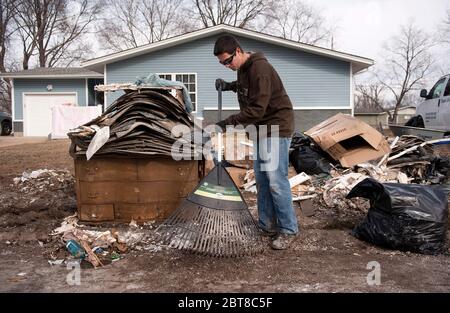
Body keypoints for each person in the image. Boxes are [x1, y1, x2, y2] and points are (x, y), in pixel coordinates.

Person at [213, 34, 298, 250]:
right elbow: (245, 86)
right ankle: (267, 225)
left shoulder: (260, 69)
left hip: (276, 126)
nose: (226, 65)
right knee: (261, 179)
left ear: (239, 51)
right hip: (261, 129)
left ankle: (288, 229)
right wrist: (229, 85)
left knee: (276, 181)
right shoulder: (243, 68)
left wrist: (227, 123)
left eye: (228, 61)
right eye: (222, 63)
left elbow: (257, 109)